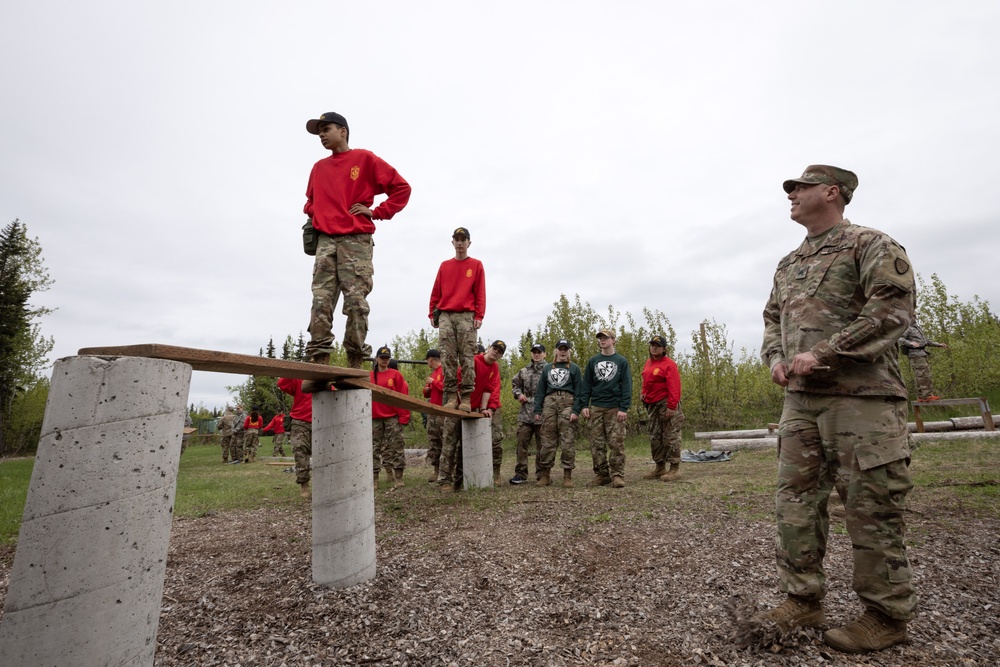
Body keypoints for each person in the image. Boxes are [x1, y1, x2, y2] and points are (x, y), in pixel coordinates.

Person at [758, 165, 917, 653]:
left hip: (861, 401)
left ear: (832, 193)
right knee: (796, 503)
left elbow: (891, 309)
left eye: (800, 187)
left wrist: (825, 353)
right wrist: (775, 359)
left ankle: (885, 614)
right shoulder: (789, 263)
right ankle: (803, 599)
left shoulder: (870, 244)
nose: (791, 194)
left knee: (871, 507)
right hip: (801, 403)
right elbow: (771, 318)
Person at [301, 111, 412, 389]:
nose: (322, 135)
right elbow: (309, 203)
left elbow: (401, 189)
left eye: (326, 129)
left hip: (356, 240)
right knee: (320, 301)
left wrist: (376, 212)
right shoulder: (318, 168)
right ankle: (319, 364)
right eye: (319, 132)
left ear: (343, 131)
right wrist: (321, 213)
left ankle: (353, 366)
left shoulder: (364, 159)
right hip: (326, 241)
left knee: (356, 303)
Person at [428, 227, 486, 412]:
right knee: (447, 357)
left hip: (466, 315)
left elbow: (481, 292)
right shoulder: (445, 265)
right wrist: (432, 313)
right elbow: (436, 291)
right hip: (446, 314)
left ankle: (466, 397)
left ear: (469, 243)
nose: (460, 243)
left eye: (463, 239)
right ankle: (452, 396)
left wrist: (479, 315)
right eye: (457, 239)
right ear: (452, 242)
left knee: (467, 357)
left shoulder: (476, 265)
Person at [436, 340, 505, 491]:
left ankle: (460, 481)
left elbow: (489, 388)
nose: (496, 352)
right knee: (450, 442)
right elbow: (459, 382)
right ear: (488, 348)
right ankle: (444, 480)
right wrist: (461, 405)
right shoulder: (474, 361)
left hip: (474, 408)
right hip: (458, 405)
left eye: (500, 352)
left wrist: (484, 408)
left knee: (468, 444)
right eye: (494, 348)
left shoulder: (494, 367)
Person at [575, 329, 632, 488]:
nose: (602, 340)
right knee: (596, 443)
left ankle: (617, 475)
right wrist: (584, 405)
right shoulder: (593, 361)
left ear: (613, 340)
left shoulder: (621, 361)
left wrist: (624, 407)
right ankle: (602, 474)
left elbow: (627, 385)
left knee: (616, 442)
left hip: (615, 408)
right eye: (600, 338)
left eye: (605, 337)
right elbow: (586, 385)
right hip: (596, 407)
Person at [533, 339, 582, 487]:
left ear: (569, 351)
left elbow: (580, 391)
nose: (562, 352)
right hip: (549, 403)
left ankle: (567, 476)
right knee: (547, 440)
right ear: (556, 351)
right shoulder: (547, 368)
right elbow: (540, 390)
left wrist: (576, 410)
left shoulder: (574, 368)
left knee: (567, 440)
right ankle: (545, 475)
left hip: (567, 402)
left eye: (565, 349)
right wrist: (537, 409)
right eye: (560, 349)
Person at [640, 335, 685, 482]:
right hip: (652, 404)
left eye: (658, 346)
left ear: (664, 349)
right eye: (652, 345)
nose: (654, 347)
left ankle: (674, 468)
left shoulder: (669, 364)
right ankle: (659, 467)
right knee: (655, 436)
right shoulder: (649, 363)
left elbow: (674, 386)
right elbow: (646, 380)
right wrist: (643, 393)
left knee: (670, 435)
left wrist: (672, 406)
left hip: (666, 403)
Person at [370, 346, 411, 490]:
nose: (385, 361)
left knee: (396, 447)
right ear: (376, 359)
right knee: (373, 449)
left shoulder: (395, 375)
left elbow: (402, 396)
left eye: (387, 358)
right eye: (382, 358)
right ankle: (374, 479)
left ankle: (398, 477)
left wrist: (404, 415)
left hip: (392, 417)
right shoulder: (370, 376)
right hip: (374, 417)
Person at [509, 343, 546, 484]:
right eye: (534, 352)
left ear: (544, 354)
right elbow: (515, 385)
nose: (537, 354)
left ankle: (542, 474)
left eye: (539, 352)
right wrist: (518, 394)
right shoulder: (523, 371)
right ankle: (521, 474)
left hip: (542, 411)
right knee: (521, 444)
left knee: (542, 445)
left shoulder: (549, 370)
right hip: (525, 413)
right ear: (531, 354)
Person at [277, 377, 313, 498]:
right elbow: (282, 383)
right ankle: (304, 485)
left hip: (323, 419)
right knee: (300, 452)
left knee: (325, 454)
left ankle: (325, 484)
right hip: (300, 421)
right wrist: (293, 370)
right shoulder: (300, 377)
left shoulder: (328, 377)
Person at [898, 318, 947, 400]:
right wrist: (910, 343)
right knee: (924, 374)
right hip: (915, 354)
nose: (915, 317)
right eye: (913, 315)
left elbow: (926, 341)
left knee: (920, 374)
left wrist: (938, 345)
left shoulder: (916, 327)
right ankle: (927, 395)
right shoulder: (907, 328)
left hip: (921, 353)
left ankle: (921, 395)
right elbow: (899, 339)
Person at [422, 348, 446, 482]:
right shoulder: (433, 373)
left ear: (430, 359)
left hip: (443, 412)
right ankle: (436, 470)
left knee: (445, 441)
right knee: (434, 441)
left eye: (427, 360)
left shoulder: (444, 371)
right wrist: (427, 389)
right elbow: (428, 393)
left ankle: (446, 470)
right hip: (432, 412)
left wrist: (433, 382)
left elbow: (447, 387)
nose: (427, 363)